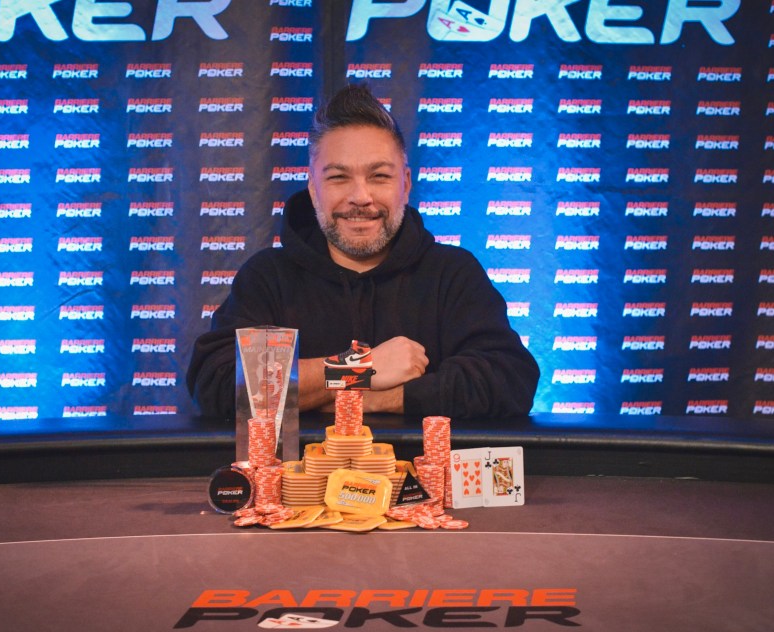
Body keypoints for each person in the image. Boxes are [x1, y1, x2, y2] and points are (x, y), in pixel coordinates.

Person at [187, 83, 540, 419]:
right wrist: (360, 368)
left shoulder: (452, 273)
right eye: (338, 177)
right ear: (313, 188)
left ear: (405, 184)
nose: (360, 197)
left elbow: (509, 379)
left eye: (379, 176)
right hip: (302, 468)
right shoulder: (268, 277)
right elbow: (219, 383)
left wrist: (369, 400)